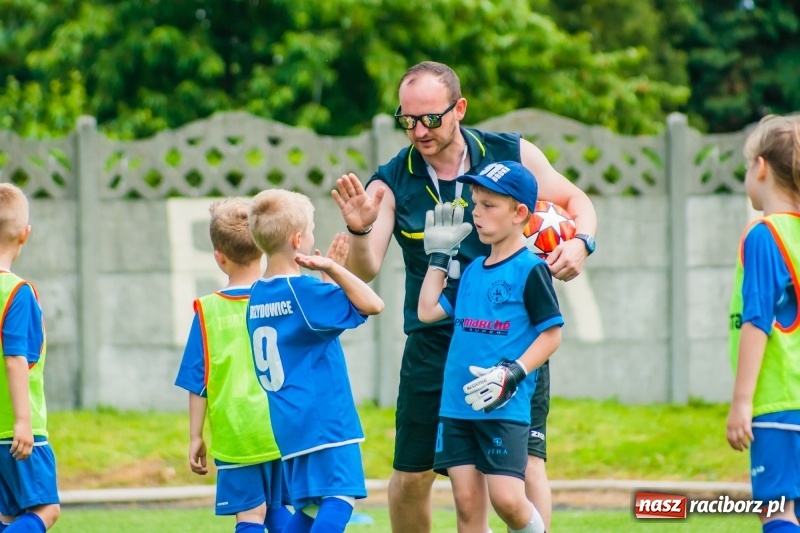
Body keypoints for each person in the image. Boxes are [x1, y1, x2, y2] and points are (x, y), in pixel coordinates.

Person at [333, 60, 597, 532]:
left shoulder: (511, 152)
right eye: (408, 119)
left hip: (509, 340)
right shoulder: (391, 179)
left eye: (431, 118)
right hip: (436, 343)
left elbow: (578, 202)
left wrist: (582, 243)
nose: (419, 131)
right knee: (413, 476)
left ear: (459, 108)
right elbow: (366, 267)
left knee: (526, 467)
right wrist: (359, 228)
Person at [419, 161, 562, 533]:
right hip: (457, 404)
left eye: (488, 206)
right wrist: (438, 258)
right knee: (467, 507)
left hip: (503, 404)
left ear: (519, 214)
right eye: (475, 203)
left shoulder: (531, 269)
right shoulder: (471, 269)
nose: (477, 214)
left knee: (509, 501)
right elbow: (428, 309)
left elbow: (551, 336)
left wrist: (512, 373)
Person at [245, 189, 384, 533]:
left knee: (308, 509)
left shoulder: (259, 293)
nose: (312, 236)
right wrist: (335, 269)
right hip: (325, 421)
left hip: (290, 422)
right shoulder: (304, 292)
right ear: (298, 239)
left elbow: (307, 330)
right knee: (340, 499)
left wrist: (325, 282)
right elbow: (372, 304)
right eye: (310, 229)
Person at [174, 198, 292, 533]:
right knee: (280, 508)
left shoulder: (207, 311)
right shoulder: (282, 299)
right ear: (264, 249)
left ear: (219, 257)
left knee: (250, 516)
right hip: (281, 427)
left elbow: (198, 380)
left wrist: (195, 435)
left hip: (236, 433)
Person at [726, 114, 800, 533]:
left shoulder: (764, 235)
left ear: (762, 167)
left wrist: (742, 401)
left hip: (779, 401)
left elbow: (759, 321)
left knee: (777, 510)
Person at [0, 183, 60, 533]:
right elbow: (15, 359)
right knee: (46, 509)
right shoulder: (17, 292)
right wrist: (24, 421)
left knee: (7, 515)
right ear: (25, 234)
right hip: (17, 430)